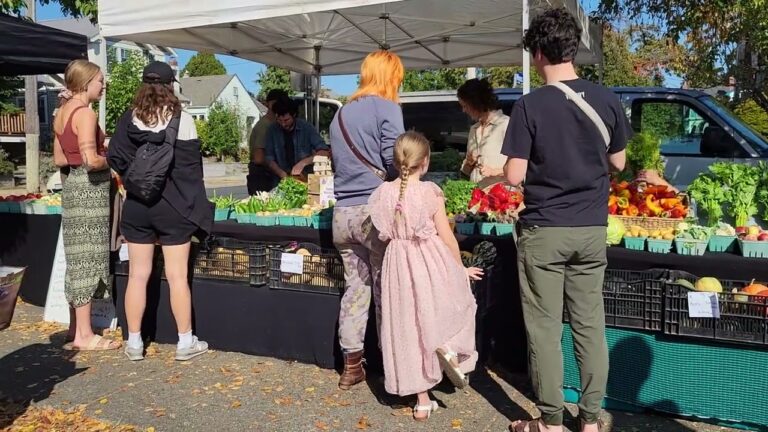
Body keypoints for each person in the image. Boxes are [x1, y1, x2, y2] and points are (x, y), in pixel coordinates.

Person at [501, 8, 629, 432]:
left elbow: (514, 175)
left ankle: (551, 422)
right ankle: (590, 420)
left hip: (545, 229)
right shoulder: (606, 99)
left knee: (545, 328)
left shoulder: (529, 105)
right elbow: (619, 162)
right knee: (590, 326)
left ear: (538, 53)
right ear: (572, 48)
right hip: (591, 228)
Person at [368, 131, 483, 421]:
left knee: (407, 328)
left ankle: (421, 400)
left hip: (397, 264)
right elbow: (447, 236)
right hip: (428, 259)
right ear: (426, 161)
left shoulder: (382, 193)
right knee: (449, 305)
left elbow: (378, 239)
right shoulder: (430, 192)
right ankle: (449, 347)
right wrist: (460, 269)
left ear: (396, 162)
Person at [108, 61, 213, 362]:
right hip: (173, 207)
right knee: (178, 276)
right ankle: (184, 342)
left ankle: (134, 343)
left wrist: (136, 180)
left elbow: (115, 158)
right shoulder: (183, 119)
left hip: (137, 207)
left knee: (137, 275)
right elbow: (191, 171)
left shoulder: (128, 118)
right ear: (171, 86)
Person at [329, 50, 405, 390]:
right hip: (374, 213)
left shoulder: (340, 113)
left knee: (355, 290)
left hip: (343, 215)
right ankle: (394, 366)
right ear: (390, 76)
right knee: (387, 289)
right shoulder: (387, 108)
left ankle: (352, 366)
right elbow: (396, 161)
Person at [53, 60, 120, 352]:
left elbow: (59, 159)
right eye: (100, 81)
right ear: (85, 82)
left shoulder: (61, 113)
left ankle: (74, 329)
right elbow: (91, 161)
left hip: (71, 190)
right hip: (89, 194)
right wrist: (113, 159)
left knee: (76, 260)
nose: (103, 86)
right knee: (89, 260)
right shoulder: (85, 114)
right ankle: (85, 334)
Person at [458, 78, 510, 187]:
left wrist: (495, 172)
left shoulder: (506, 125)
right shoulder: (474, 129)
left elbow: (521, 166)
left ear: (475, 103)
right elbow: (466, 172)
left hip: (501, 193)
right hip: (477, 192)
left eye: (465, 106)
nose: (463, 110)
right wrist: (469, 162)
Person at [264, 97, 329, 179]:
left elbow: (324, 152)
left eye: (286, 120)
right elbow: (269, 158)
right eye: (279, 120)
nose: (283, 124)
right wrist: (281, 174)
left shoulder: (306, 128)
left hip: (305, 177)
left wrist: (303, 163)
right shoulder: (272, 130)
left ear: (294, 115)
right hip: (280, 178)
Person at [247, 89, 288, 193]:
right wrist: (278, 169)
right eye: (276, 103)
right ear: (267, 104)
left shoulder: (276, 125)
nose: (279, 106)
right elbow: (259, 158)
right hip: (262, 177)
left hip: (269, 175)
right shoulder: (264, 126)